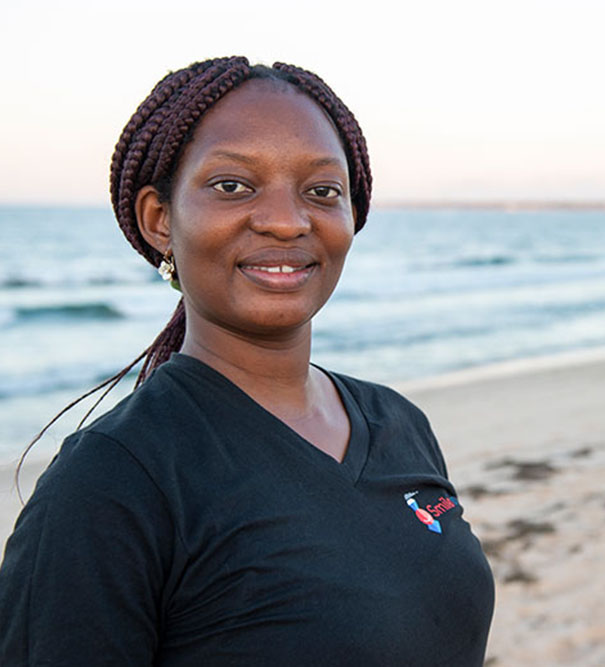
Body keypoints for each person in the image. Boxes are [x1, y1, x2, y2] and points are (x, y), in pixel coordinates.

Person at [0, 56, 494, 665]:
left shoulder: (399, 422)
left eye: (322, 191)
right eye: (233, 186)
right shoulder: (112, 483)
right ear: (160, 220)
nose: (286, 221)